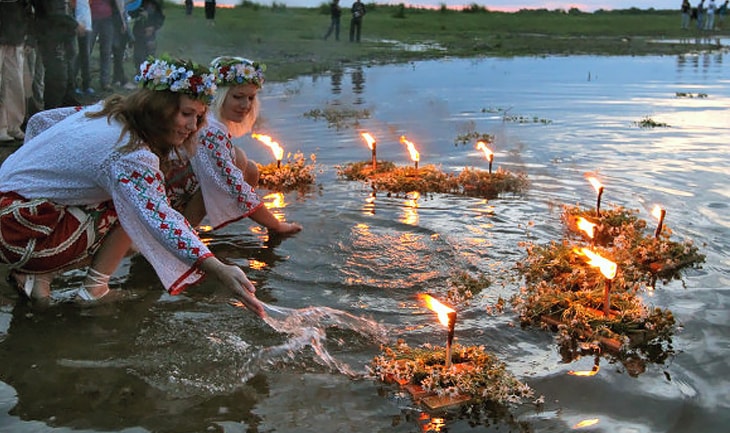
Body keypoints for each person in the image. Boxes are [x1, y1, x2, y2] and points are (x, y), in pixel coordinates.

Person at [0, 56, 266, 317]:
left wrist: (39, 178)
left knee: (127, 194)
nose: (192, 126)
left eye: (198, 117)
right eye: (186, 114)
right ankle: (90, 289)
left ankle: (39, 276)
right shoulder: (132, 155)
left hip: (13, 214)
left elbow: (40, 121)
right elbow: (162, 218)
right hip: (23, 230)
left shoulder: (105, 110)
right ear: (158, 107)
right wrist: (219, 268)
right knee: (133, 206)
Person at [164, 55, 303, 235]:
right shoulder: (210, 129)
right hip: (164, 191)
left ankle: (188, 229)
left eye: (251, 98)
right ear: (219, 95)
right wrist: (276, 225)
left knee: (250, 169)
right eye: (238, 97)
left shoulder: (211, 121)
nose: (246, 105)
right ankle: (181, 235)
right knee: (236, 161)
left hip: (178, 184)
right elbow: (233, 185)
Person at [32, 0, 82, 109]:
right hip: (51, 36)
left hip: (60, 35)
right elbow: (54, 13)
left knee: (68, 77)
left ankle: (68, 107)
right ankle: (51, 111)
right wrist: (74, 24)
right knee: (57, 79)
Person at [0, 0, 33, 142]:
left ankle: (13, 125)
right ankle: (2, 127)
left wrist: (30, 39)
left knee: (15, 85)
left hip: (15, 40)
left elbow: (29, 15)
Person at [130, 0, 165, 72]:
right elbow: (131, 13)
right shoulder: (138, 3)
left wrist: (154, 27)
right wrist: (139, 14)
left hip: (150, 33)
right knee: (138, 54)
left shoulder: (155, 3)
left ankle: (150, 72)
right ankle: (139, 72)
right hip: (138, 32)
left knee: (150, 54)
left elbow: (160, 17)